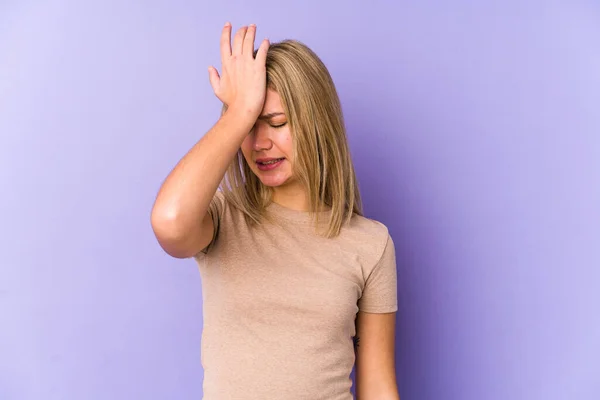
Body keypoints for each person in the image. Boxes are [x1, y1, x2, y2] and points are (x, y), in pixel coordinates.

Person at [151, 22, 400, 400]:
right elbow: (169, 223)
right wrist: (236, 113)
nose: (259, 143)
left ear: (317, 125)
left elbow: (378, 386)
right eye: (250, 126)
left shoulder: (370, 244)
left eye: (277, 123)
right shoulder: (221, 220)